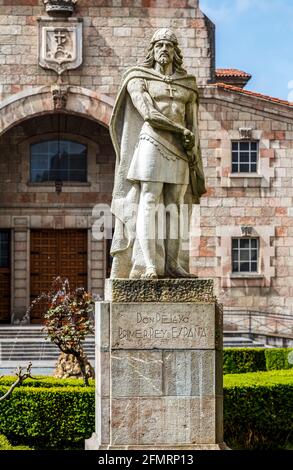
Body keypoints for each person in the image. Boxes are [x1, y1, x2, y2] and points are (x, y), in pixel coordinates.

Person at [109, 28, 206, 279]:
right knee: (149, 201)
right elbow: (149, 113)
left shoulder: (188, 85)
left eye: (169, 46)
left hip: (181, 149)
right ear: (151, 51)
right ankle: (149, 264)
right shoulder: (138, 78)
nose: (164, 49)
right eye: (159, 45)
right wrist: (179, 129)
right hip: (152, 142)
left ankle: (173, 265)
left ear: (176, 52)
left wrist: (193, 149)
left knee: (176, 206)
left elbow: (193, 123)